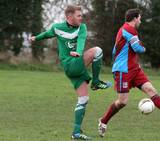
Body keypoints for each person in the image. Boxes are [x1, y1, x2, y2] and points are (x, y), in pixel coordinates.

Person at [98, 8, 160, 137]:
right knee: (122, 102)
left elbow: (115, 50)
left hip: (135, 69)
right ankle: (103, 121)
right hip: (123, 70)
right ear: (135, 18)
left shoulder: (125, 29)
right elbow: (138, 48)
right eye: (140, 18)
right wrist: (142, 47)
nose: (141, 20)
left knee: (151, 90)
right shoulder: (129, 29)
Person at [30, 5, 111, 140]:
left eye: (81, 15)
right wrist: (36, 38)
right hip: (69, 64)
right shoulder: (57, 27)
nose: (81, 17)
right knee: (97, 51)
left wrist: (78, 52)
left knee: (83, 99)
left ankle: (76, 133)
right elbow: (47, 34)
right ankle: (96, 82)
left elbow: (81, 41)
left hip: (75, 64)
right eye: (78, 15)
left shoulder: (82, 28)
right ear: (69, 17)